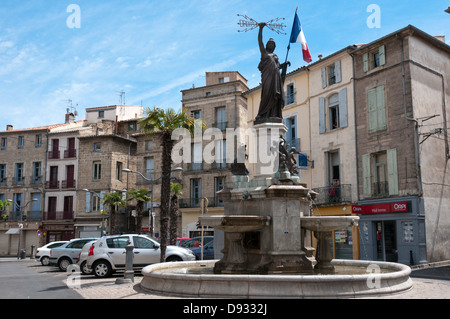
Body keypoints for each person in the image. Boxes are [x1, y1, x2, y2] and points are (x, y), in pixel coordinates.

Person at [255, 23, 290, 122]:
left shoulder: (275, 56)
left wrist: (285, 64)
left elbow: (278, 67)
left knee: (275, 96)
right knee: (266, 95)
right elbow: (260, 42)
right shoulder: (264, 53)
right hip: (267, 78)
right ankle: (261, 114)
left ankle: (274, 114)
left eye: (273, 44)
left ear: (274, 46)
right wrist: (261, 29)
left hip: (275, 79)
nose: (271, 45)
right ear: (267, 45)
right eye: (269, 44)